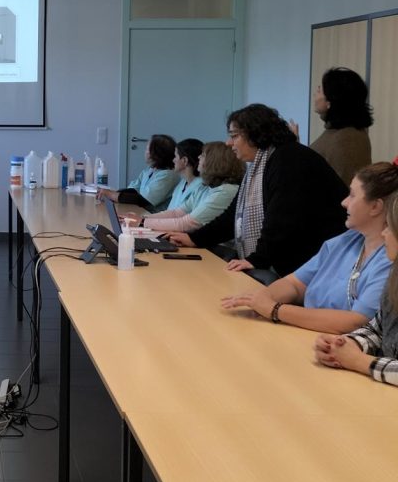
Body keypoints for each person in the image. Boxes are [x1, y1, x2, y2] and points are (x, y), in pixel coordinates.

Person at [168, 104, 347, 277]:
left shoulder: (289, 160)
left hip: (323, 266)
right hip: (304, 263)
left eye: (234, 136)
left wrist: (258, 259)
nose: (229, 143)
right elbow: (233, 217)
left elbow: (283, 221)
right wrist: (195, 239)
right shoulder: (263, 164)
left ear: (255, 134)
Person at [222, 162, 398, 333]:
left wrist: (275, 310)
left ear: (375, 206)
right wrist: (264, 298)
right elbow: (295, 283)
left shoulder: (390, 259)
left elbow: (356, 321)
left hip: (333, 344)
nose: (344, 202)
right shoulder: (346, 240)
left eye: (352, 195)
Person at [315, 193, 398, 386]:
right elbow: (377, 329)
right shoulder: (394, 278)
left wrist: (359, 361)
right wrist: (344, 345)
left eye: (390, 227)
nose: (384, 233)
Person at [131, 142, 243, 233]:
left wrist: (142, 222)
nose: (199, 157)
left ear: (214, 162)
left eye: (203, 155)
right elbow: (176, 213)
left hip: (215, 249)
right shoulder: (205, 187)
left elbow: (188, 223)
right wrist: (143, 219)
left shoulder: (226, 191)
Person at [290, 67, 372, 186]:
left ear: (330, 101)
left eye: (319, 90)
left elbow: (339, 187)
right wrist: (296, 147)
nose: (315, 94)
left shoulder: (345, 139)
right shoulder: (340, 132)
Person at [99, 134, 178, 211]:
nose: (145, 152)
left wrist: (111, 194)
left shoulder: (167, 176)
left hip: (152, 215)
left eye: (147, 149)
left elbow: (143, 200)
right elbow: (133, 190)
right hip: (140, 211)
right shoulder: (149, 170)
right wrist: (111, 193)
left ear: (157, 154)